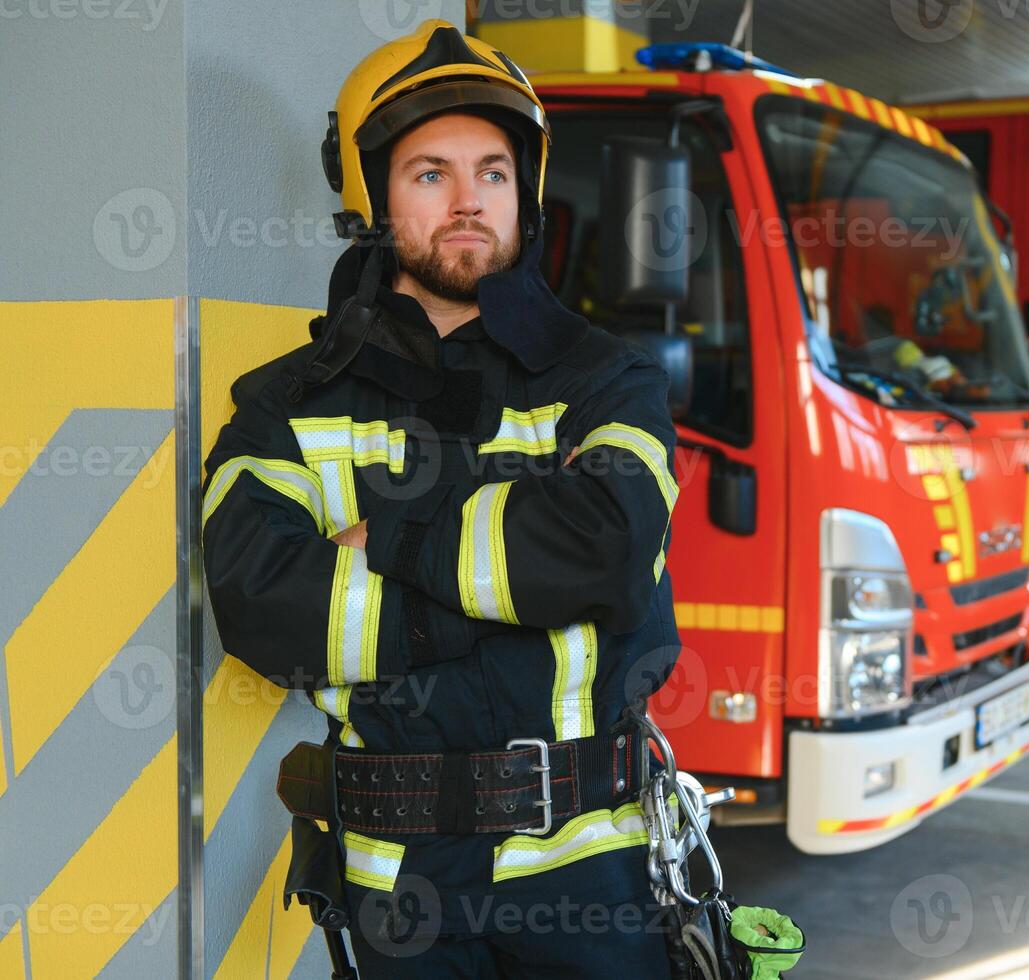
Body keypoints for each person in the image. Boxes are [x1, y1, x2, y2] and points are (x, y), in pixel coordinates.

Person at [201, 19, 680, 978]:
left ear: (524, 192)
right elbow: (264, 606)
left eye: (492, 172)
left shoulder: (605, 379)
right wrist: (515, 598)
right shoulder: (283, 405)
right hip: (395, 879)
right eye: (431, 174)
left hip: (589, 868)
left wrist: (391, 541)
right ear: (372, 196)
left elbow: (607, 544)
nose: (469, 201)